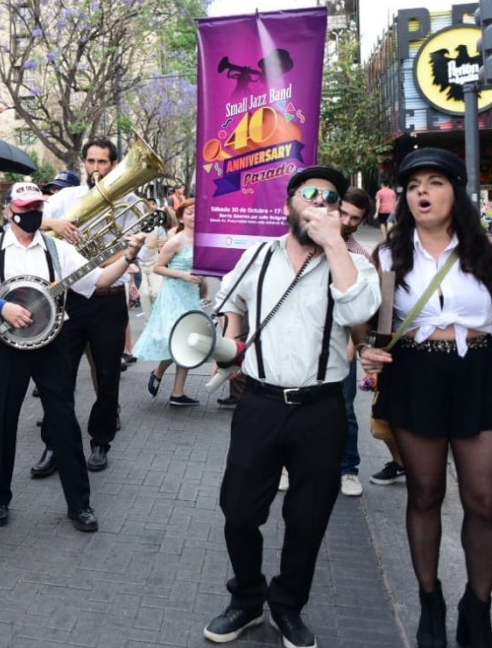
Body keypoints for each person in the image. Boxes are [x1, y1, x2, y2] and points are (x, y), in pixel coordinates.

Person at [360, 148, 492, 648]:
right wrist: (365, 351)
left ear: (455, 192)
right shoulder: (391, 252)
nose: (423, 192)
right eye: (414, 184)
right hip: (416, 373)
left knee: (482, 502)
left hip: (479, 370)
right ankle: (429, 600)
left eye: (435, 182)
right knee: (424, 494)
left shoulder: (491, 249)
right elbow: (371, 325)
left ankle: (477, 611)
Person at [201, 165, 379, 648]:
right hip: (259, 401)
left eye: (330, 199)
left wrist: (337, 243)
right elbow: (229, 300)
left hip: (320, 409)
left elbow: (360, 311)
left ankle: (287, 606)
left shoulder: (354, 264)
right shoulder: (259, 255)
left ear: (341, 214)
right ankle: (247, 598)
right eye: (310, 195)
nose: (319, 203)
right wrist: (231, 341)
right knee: (238, 510)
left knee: (308, 516)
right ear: (289, 206)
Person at [0, 182, 140, 533]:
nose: (33, 215)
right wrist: (3, 307)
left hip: (53, 343)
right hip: (9, 344)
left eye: (37, 208)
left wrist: (128, 256)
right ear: (11, 210)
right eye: (26, 209)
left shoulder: (57, 250)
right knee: (2, 421)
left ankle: (80, 504)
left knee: (64, 422)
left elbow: (99, 278)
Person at [39, 137, 133, 473]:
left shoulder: (129, 199)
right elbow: (26, 217)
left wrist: (102, 263)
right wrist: (54, 224)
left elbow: (134, 248)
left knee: (107, 377)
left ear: (113, 165)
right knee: (58, 376)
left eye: (102, 162)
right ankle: (53, 444)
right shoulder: (67, 197)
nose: (95, 168)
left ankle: (100, 442)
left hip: (109, 300)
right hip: (72, 298)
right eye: (91, 162)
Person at [133, 199, 203, 407]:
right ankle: (158, 373)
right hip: (174, 295)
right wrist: (182, 274)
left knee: (188, 342)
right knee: (177, 340)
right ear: (181, 217)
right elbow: (157, 267)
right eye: (190, 212)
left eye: (197, 212)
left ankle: (177, 393)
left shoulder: (202, 239)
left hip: (191, 295)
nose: (194, 216)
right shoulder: (176, 240)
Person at [336, 186, 375, 499]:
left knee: (344, 410)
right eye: (343, 212)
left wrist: (353, 348)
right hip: (301, 345)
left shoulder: (360, 256)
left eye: (355, 218)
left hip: (341, 347)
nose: (347, 220)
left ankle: (348, 469)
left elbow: (362, 312)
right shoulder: (303, 245)